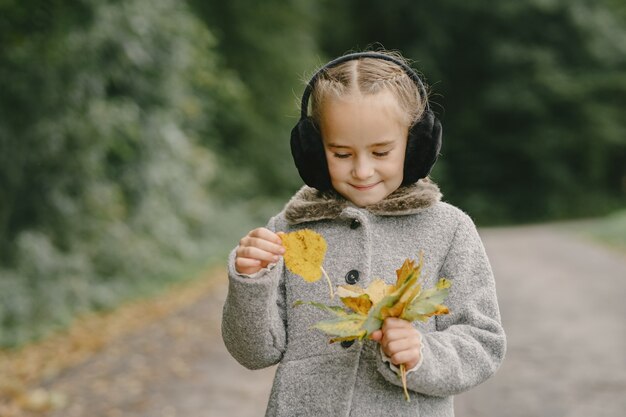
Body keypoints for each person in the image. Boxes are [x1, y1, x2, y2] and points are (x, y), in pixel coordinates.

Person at [221, 50, 506, 417]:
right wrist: (249, 282)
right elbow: (254, 352)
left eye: (381, 151)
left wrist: (422, 353)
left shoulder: (449, 229)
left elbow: (483, 341)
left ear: (416, 144)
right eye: (341, 154)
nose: (362, 170)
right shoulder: (288, 232)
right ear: (312, 151)